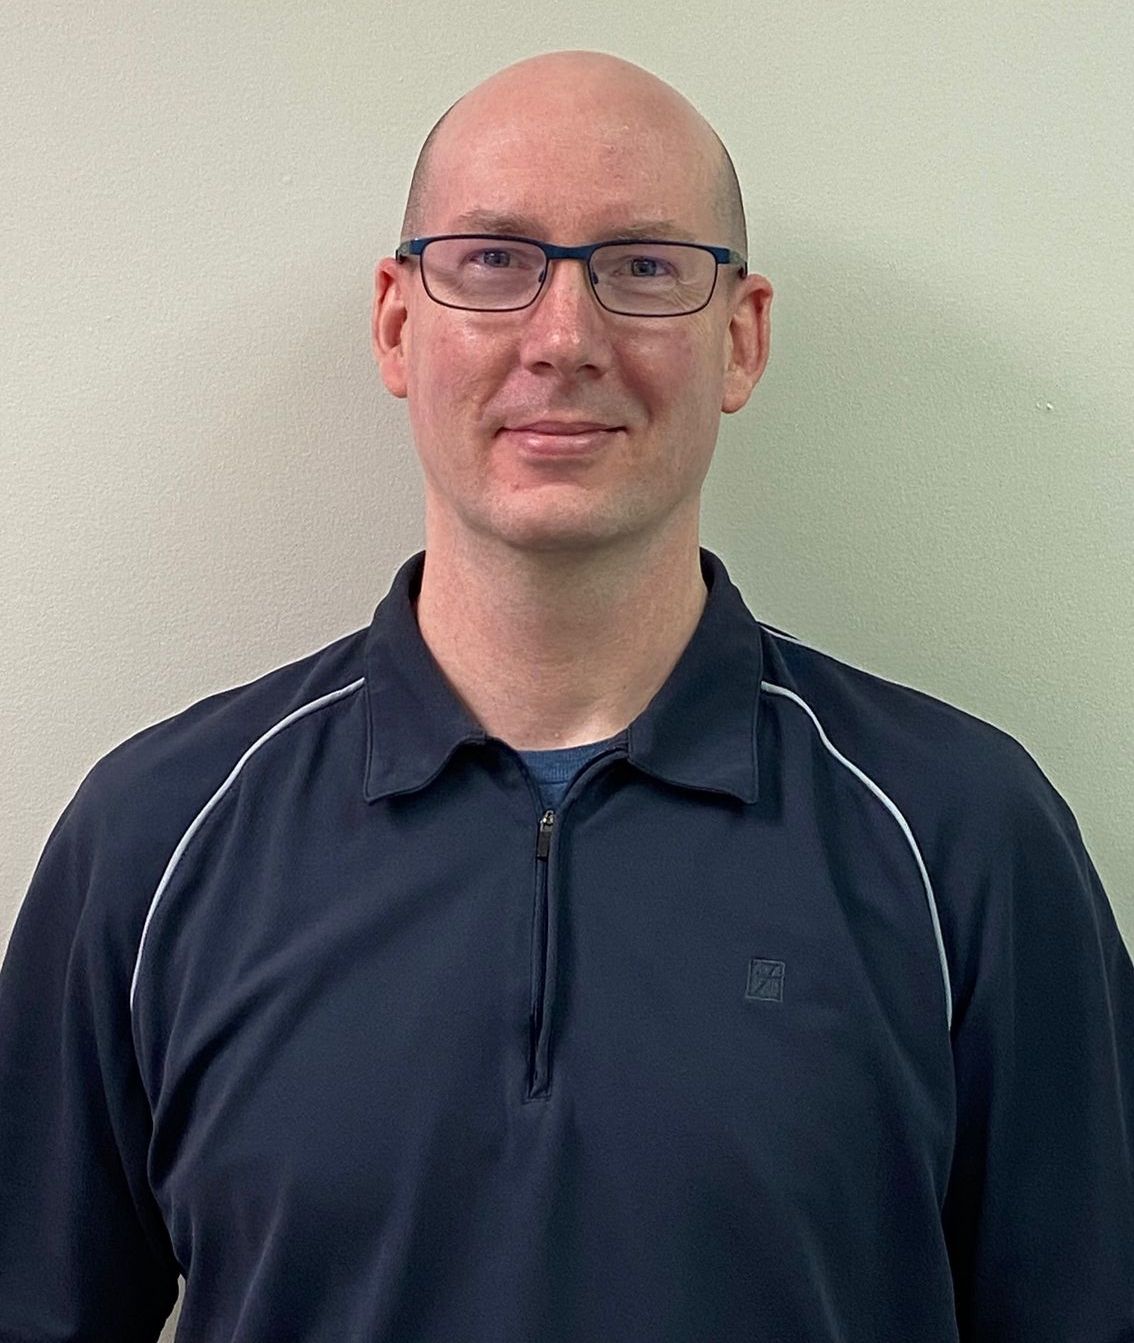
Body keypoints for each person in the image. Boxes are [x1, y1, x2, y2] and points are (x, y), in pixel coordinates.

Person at [0, 47, 1131, 1343]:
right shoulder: (154, 841)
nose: (563, 339)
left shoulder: (961, 837)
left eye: (644, 268)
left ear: (740, 336)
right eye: (491, 261)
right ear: (394, 321)